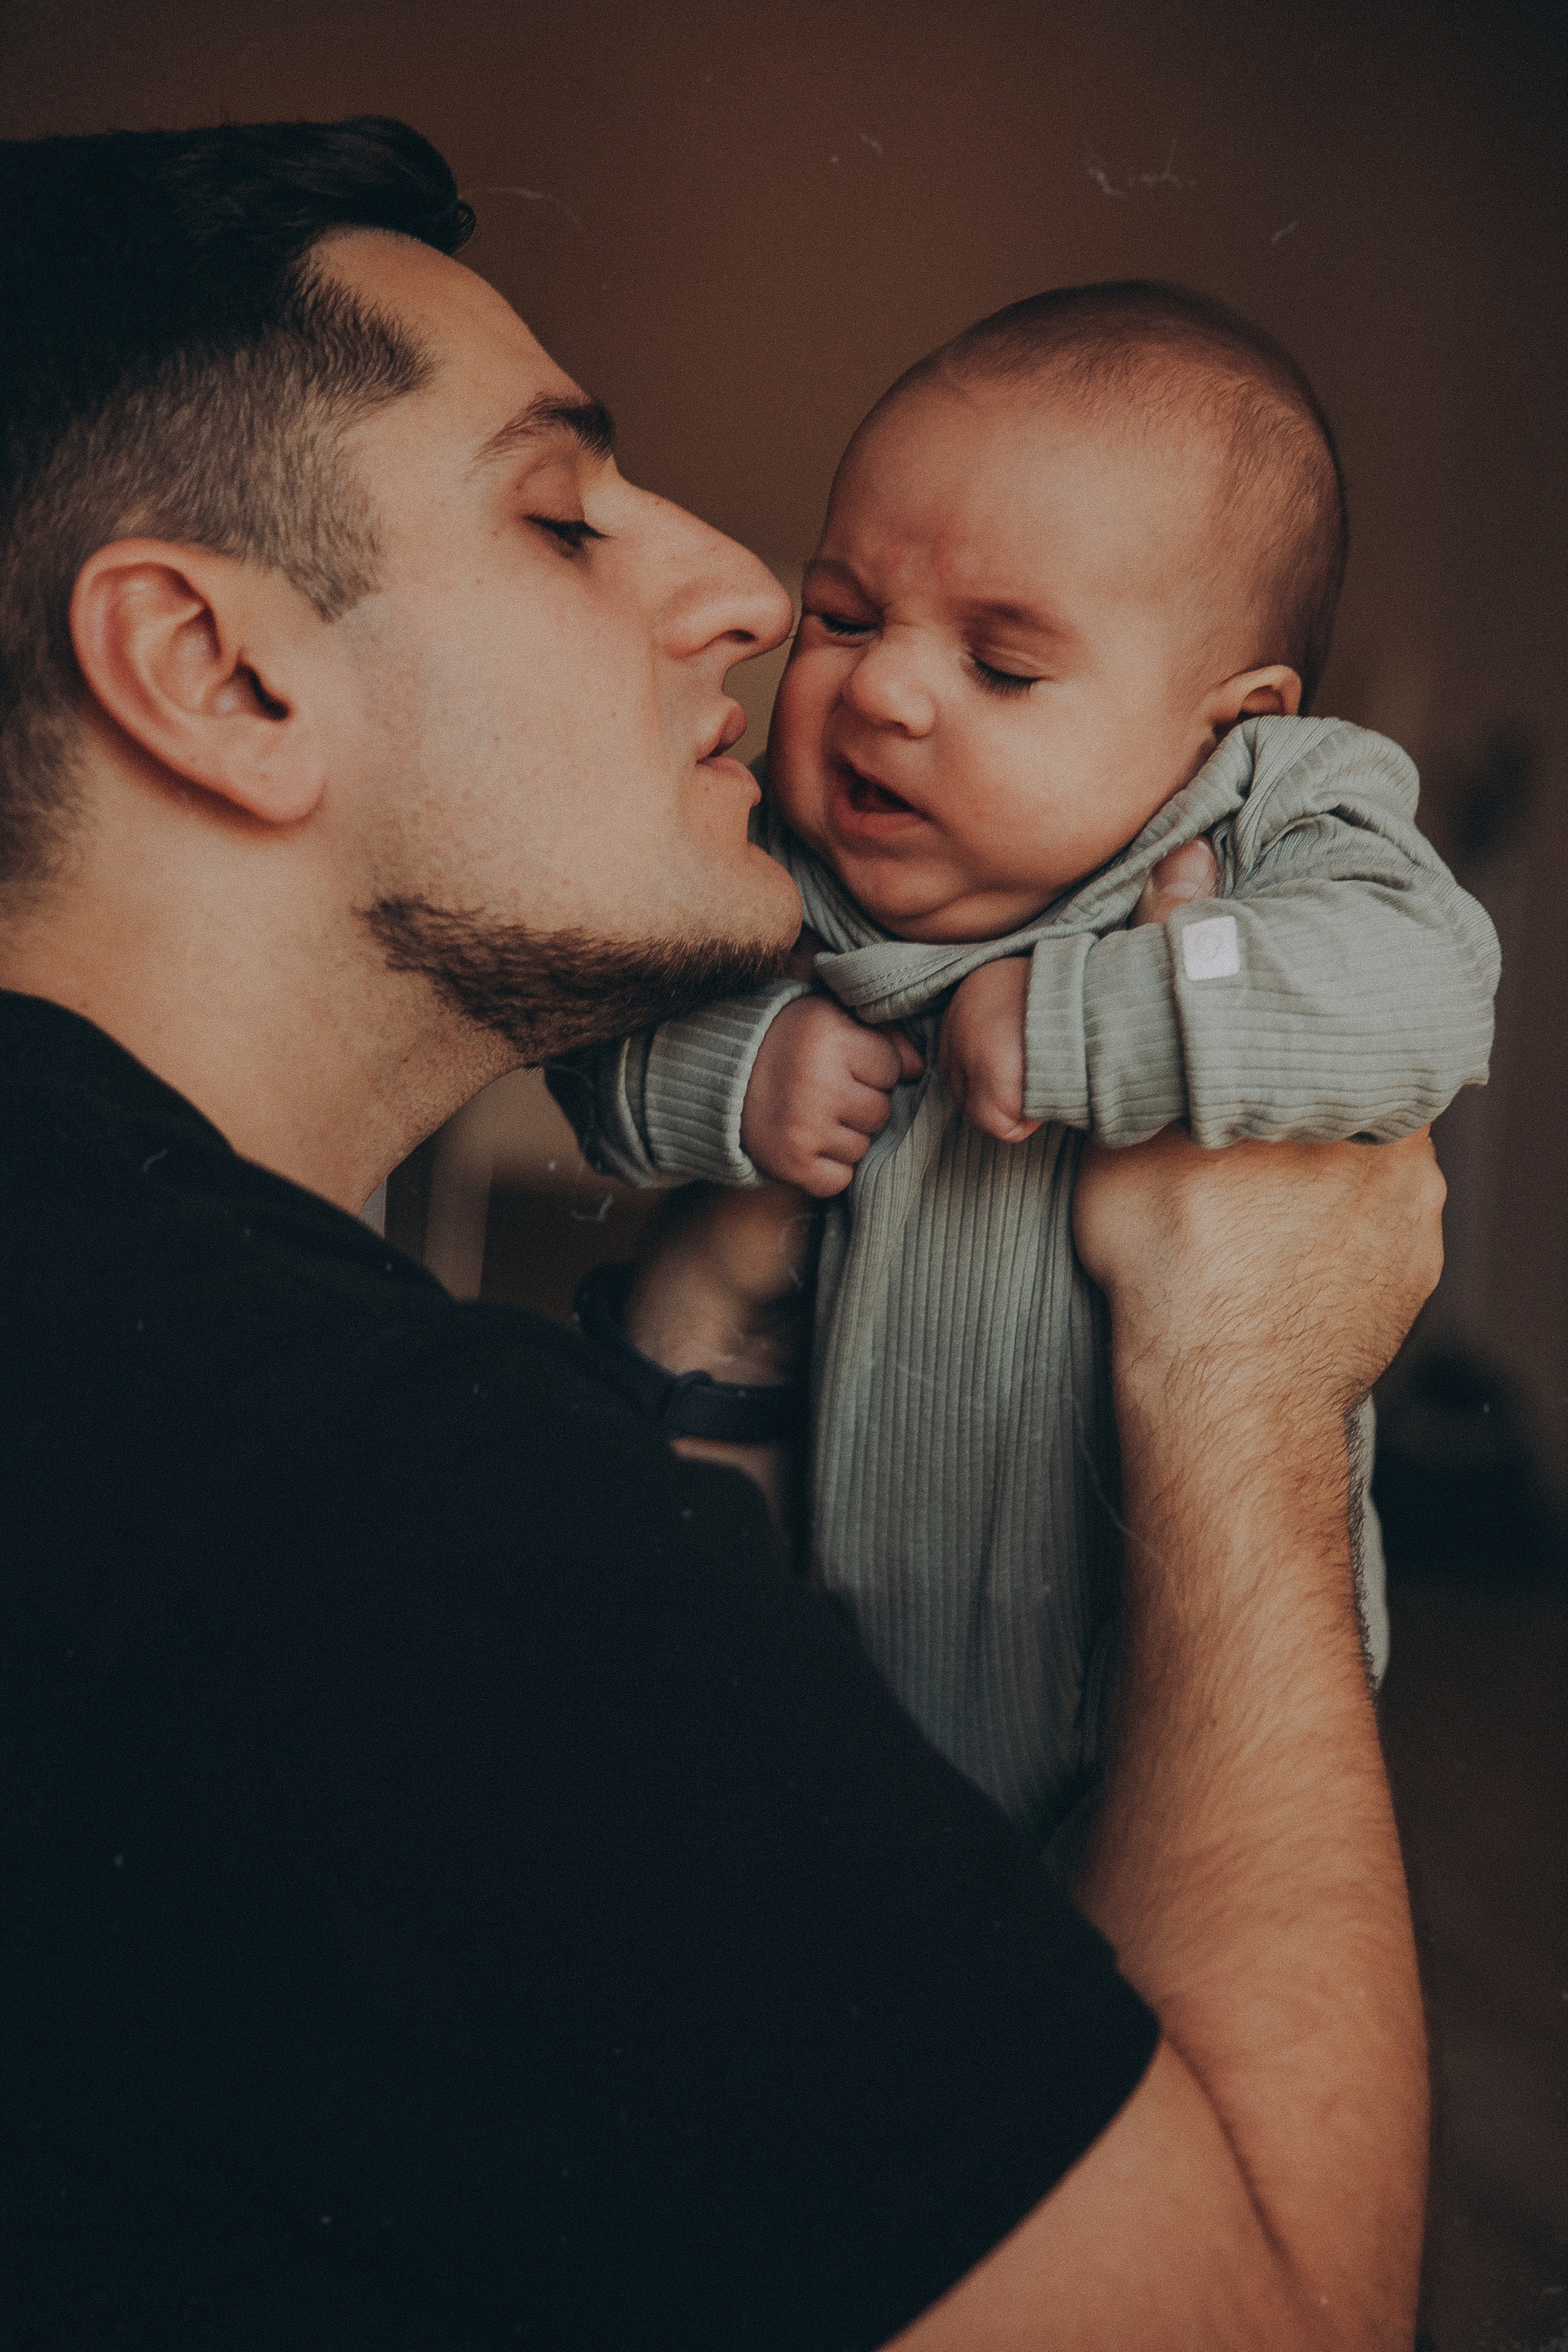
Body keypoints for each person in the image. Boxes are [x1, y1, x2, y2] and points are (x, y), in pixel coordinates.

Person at [0, 118, 1440, 2349]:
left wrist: (675, 1350)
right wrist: (1247, 1370)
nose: (769, 604)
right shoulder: (392, 1509)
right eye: (565, 513)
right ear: (215, 667)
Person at [555, 284, 1500, 1853]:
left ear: (1225, 725)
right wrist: (746, 1067)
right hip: (839, 1647)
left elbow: (1421, 985)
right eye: (844, 614)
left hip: (1158, 1688)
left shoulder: (1259, 822)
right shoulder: (792, 860)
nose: (881, 690)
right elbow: (596, 1046)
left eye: (1000, 666)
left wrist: (1111, 1007)